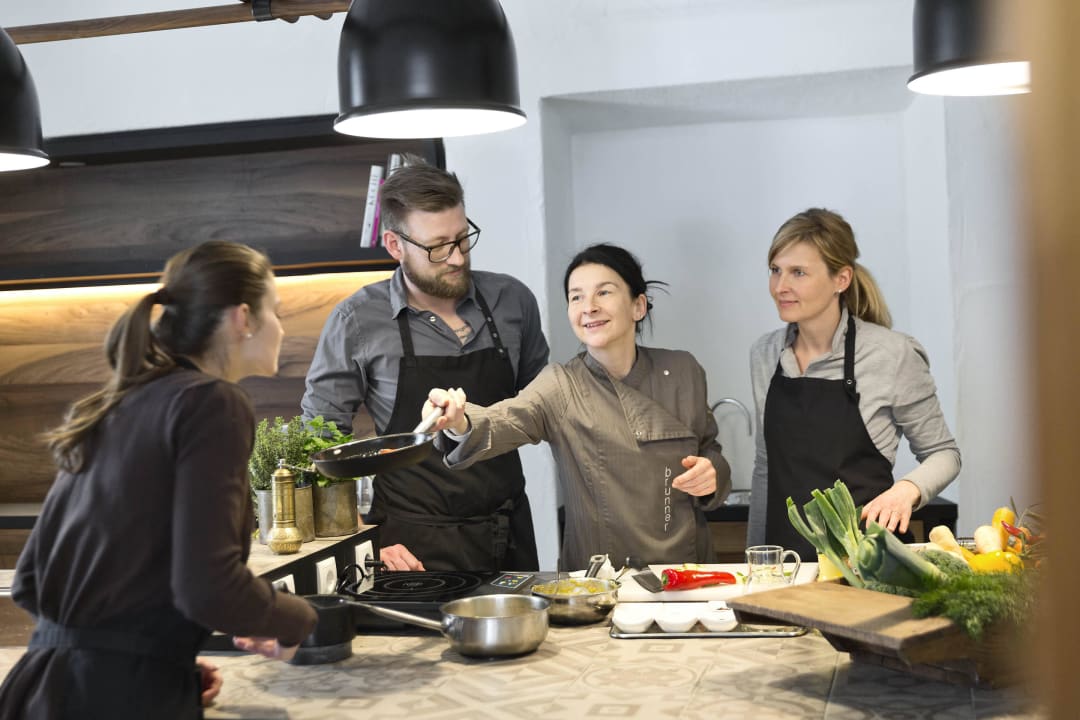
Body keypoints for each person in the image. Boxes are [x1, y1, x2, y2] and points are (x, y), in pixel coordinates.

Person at [0, 241, 317, 720]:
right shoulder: (212, 402)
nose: (281, 327)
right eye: (277, 311)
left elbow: (28, 583)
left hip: (40, 689)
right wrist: (300, 619)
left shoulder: (116, 401)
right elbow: (209, 588)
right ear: (243, 318)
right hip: (116, 702)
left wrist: (157, 661)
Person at [301, 160, 550, 572]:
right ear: (394, 245)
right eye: (437, 247)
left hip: (508, 531)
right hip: (410, 546)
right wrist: (360, 536)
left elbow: (543, 407)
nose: (456, 258)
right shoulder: (357, 320)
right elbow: (318, 440)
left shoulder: (512, 300)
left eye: (463, 238)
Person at [425, 243, 732, 570]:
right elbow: (502, 421)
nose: (589, 307)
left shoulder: (684, 370)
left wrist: (711, 472)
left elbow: (709, 449)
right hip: (600, 582)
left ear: (638, 306)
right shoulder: (561, 384)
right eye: (576, 297)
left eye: (604, 292)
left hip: (690, 573)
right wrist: (459, 421)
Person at [748, 208, 961, 559]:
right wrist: (757, 559)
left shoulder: (891, 354)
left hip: (870, 563)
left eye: (798, 272)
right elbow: (765, 467)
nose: (780, 287)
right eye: (775, 270)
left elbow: (944, 454)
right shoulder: (765, 353)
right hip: (789, 566)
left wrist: (907, 489)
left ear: (841, 279)